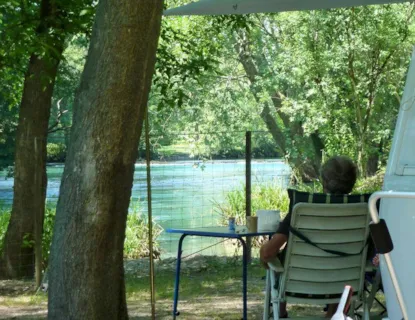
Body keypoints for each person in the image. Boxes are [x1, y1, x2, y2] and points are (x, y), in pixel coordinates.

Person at [260, 155, 358, 318]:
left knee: (271, 256)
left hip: (298, 286)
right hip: (343, 285)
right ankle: (333, 314)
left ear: (323, 181)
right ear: (352, 182)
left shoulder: (303, 209)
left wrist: (263, 249)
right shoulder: (363, 210)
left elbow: (267, 253)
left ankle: (281, 312)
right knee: (338, 257)